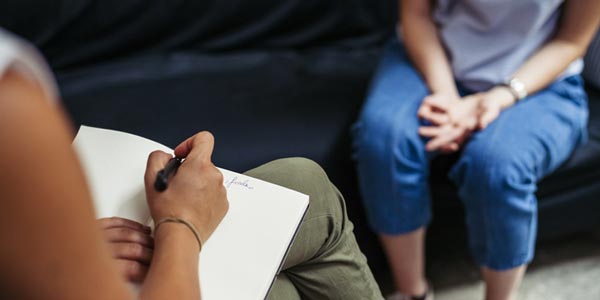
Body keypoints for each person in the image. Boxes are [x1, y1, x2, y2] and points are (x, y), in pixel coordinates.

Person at [0, 28, 383, 300]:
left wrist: (55, 252)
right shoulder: (11, 105)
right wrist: (180, 223)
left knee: (302, 182)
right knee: (289, 275)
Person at [352, 1, 600, 300]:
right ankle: (412, 292)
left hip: (539, 82)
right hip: (434, 58)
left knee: (497, 166)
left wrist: (501, 96)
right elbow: (415, 15)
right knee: (383, 141)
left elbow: (572, 40)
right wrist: (447, 97)